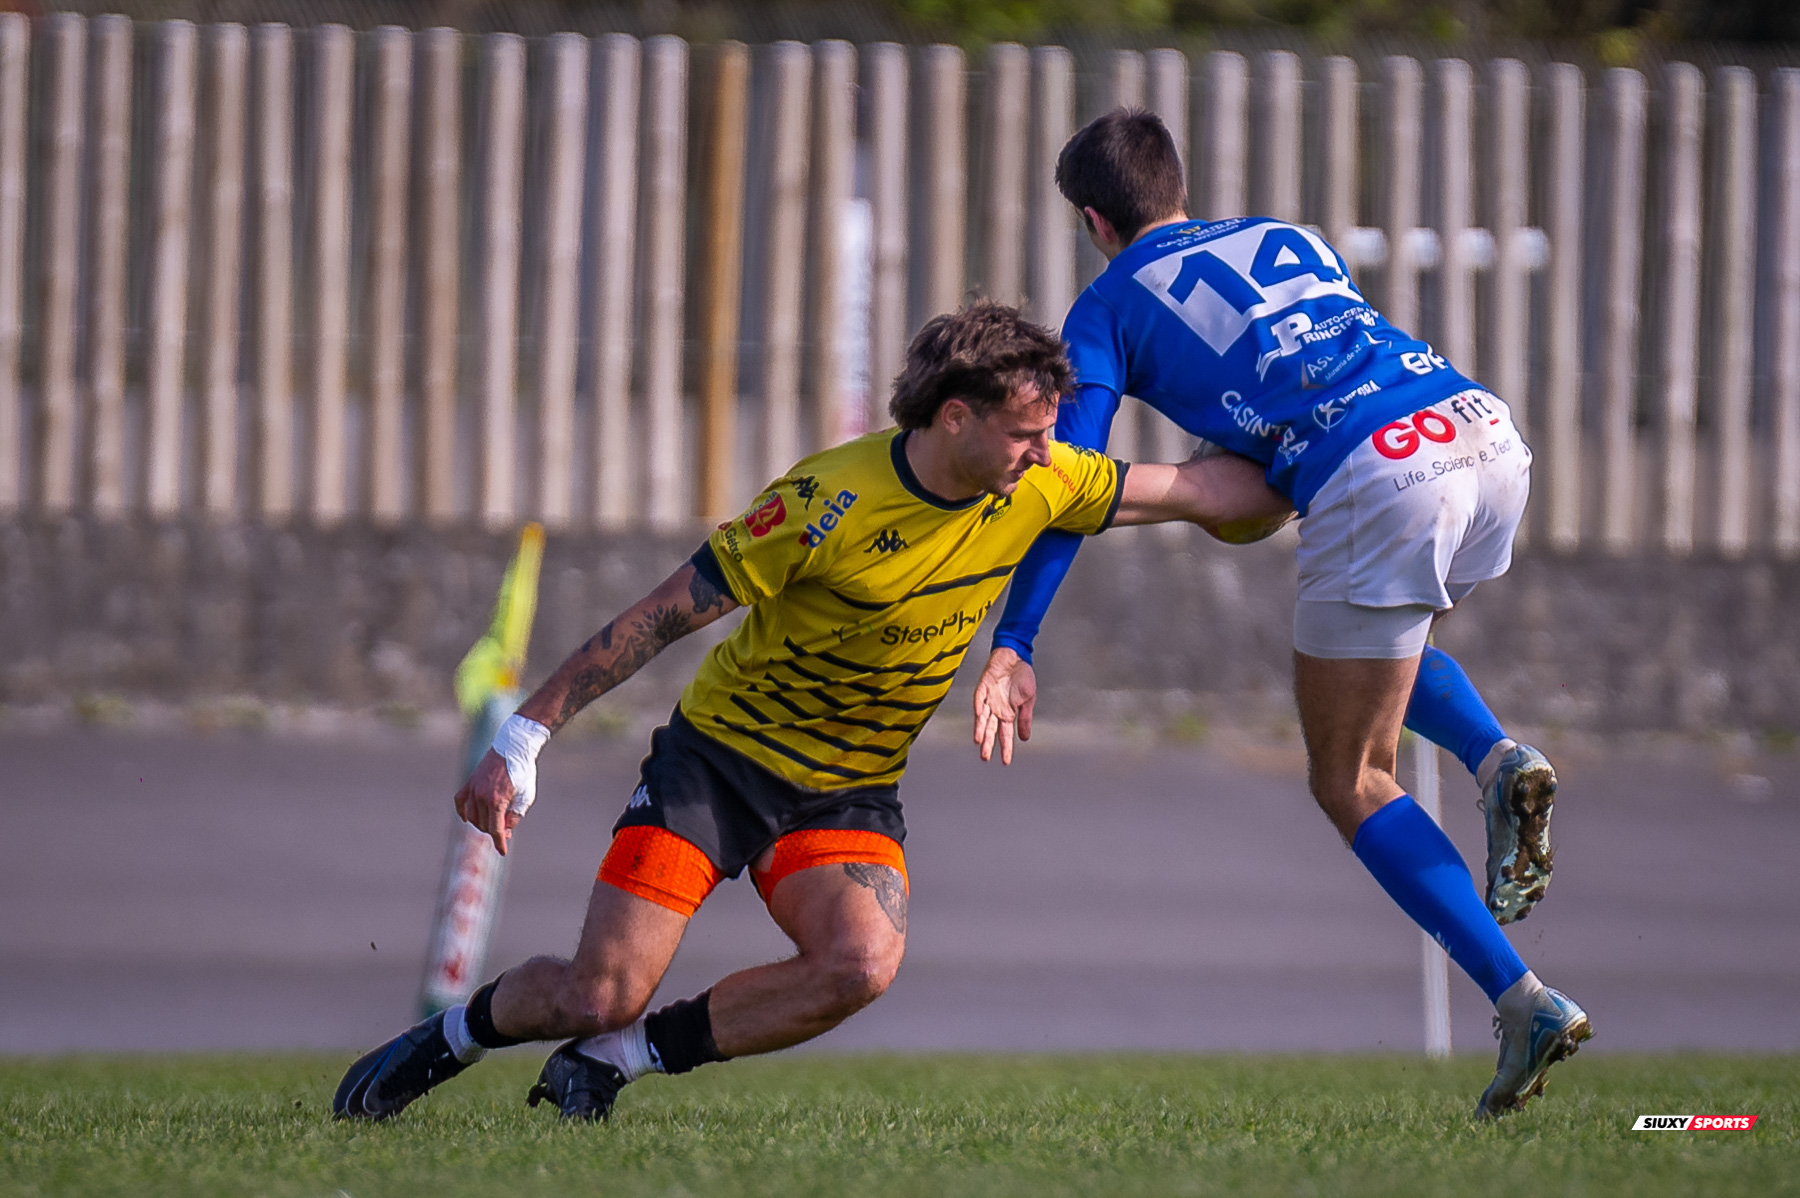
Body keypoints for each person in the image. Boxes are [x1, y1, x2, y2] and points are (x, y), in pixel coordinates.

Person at [334, 300, 1291, 1123]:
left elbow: (1204, 492)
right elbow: (657, 617)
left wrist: (1331, 457)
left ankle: (614, 1063)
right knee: (601, 989)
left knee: (859, 962)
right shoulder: (823, 501)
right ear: (956, 417)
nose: (1048, 452)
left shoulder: (1037, 484)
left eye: (1050, 434)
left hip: (849, 791)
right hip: (717, 766)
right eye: (1026, 433)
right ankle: (448, 1039)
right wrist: (523, 735)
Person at [971, 110, 1586, 1119]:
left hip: (1383, 477)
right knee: (1383, 642)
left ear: (1093, 219)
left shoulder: (1108, 302)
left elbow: (1067, 479)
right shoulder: (1288, 237)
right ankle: (1496, 760)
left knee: (1349, 775)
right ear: (1178, 184)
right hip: (1479, 430)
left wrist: (1016, 638)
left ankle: (1522, 999)